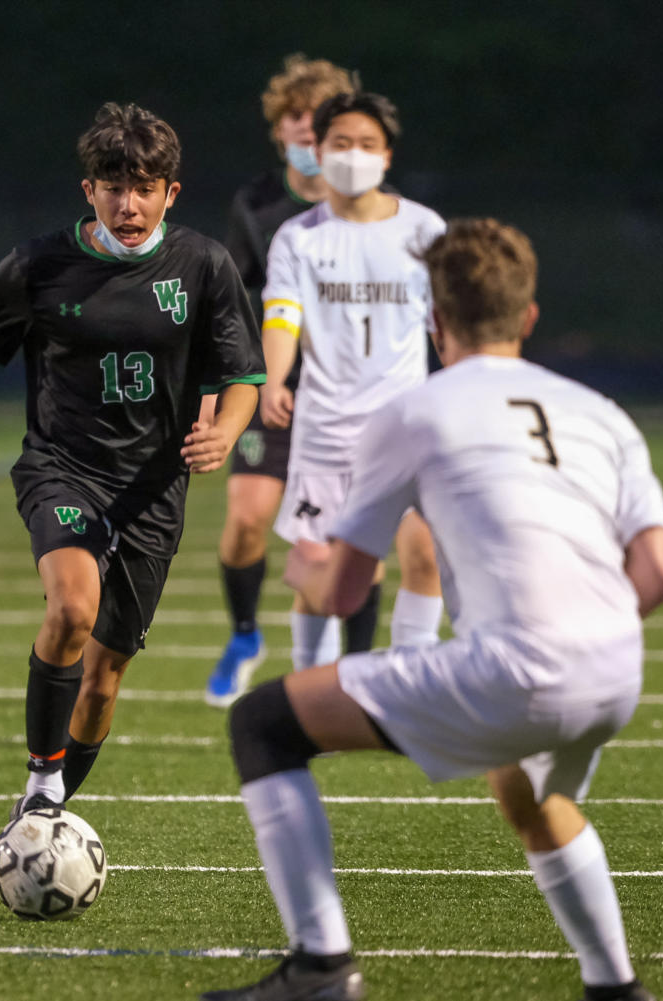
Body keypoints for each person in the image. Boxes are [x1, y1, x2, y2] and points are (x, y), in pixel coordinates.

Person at [203, 219, 663, 1001]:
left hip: (518, 666)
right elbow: (660, 567)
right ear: (527, 317)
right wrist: (588, 632)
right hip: (615, 668)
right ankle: (616, 988)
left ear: (434, 321)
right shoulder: (600, 411)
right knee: (526, 792)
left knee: (261, 723)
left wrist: (307, 567)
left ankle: (320, 965)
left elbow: (346, 593)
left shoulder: (414, 411)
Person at [0, 102, 264, 817]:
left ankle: (46, 815)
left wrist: (226, 429)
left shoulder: (203, 265)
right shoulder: (36, 266)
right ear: (88, 190)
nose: (128, 203)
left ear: (169, 194)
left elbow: (243, 374)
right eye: (112, 186)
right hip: (63, 469)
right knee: (71, 609)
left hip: (153, 489)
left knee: (104, 677)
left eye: (144, 187)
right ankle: (40, 783)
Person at [261, 91, 446, 677]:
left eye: (367, 144)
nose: (353, 155)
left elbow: (448, 324)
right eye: (341, 143)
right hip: (327, 427)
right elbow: (282, 317)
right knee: (319, 568)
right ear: (318, 149)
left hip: (407, 423)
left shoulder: (425, 229)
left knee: (425, 553)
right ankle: (313, 690)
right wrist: (271, 380)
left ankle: (412, 681)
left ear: (387, 155)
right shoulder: (298, 236)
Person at [206, 54, 367, 709]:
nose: (304, 136)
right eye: (293, 123)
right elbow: (232, 298)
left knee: (343, 537)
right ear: (279, 131)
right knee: (246, 519)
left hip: (343, 393)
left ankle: (352, 674)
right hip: (268, 383)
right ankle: (245, 636)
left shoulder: (365, 206)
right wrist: (220, 389)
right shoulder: (256, 203)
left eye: (317, 123)